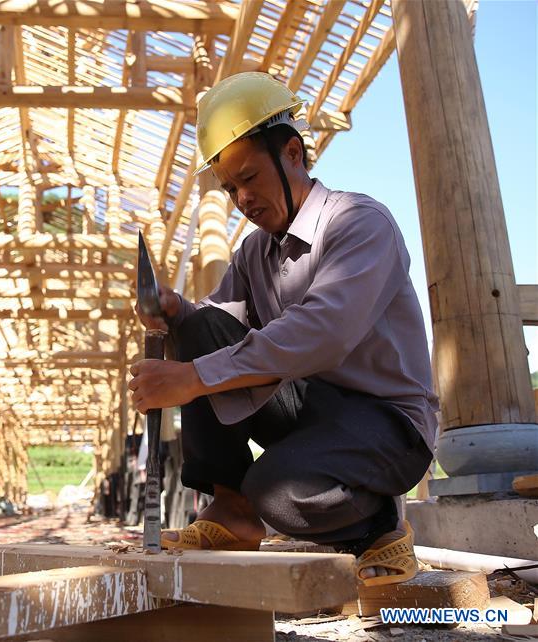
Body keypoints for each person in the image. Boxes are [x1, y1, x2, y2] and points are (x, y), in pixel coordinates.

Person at [128, 72, 438, 587]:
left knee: (277, 491)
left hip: (388, 424)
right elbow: (217, 326)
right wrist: (175, 310)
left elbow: (322, 332)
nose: (241, 199)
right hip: (313, 408)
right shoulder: (254, 252)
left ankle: (380, 526)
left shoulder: (360, 224)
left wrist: (191, 378)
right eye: (230, 189)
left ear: (292, 152)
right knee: (199, 328)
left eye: (249, 178)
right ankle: (231, 512)